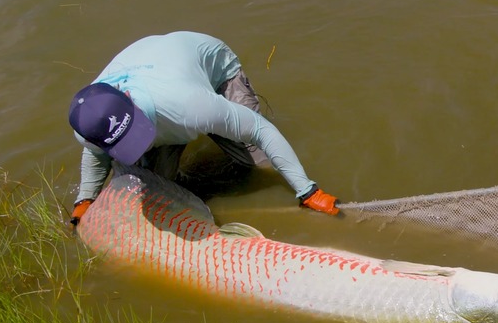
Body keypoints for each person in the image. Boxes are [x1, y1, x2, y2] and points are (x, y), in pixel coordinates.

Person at [68, 31, 339, 226]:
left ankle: (215, 127)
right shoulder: (86, 124)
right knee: (154, 188)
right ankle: (187, 137)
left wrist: (308, 191)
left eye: (134, 132)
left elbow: (260, 129)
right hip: (157, 70)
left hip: (210, 67)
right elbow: (96, 154)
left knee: (259, 164)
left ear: (128, 98)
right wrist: (85, 200)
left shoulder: (188, 105)